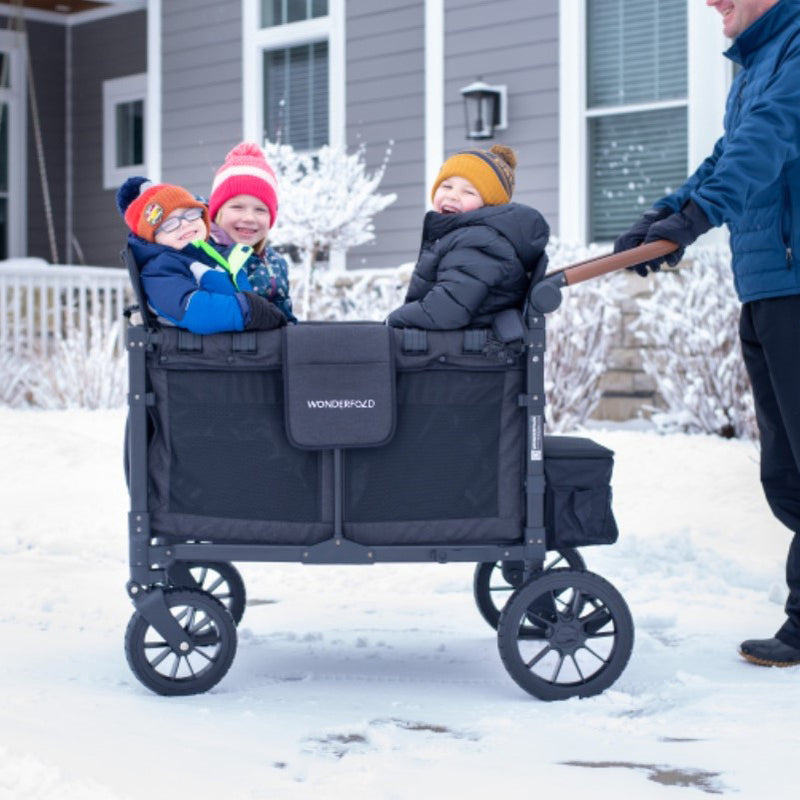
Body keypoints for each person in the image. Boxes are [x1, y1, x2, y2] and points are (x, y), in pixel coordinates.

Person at [613, 0, 800, 666]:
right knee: (787, 477)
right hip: (768, 285)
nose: (710, 2)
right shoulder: (758, 62)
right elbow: (730, 152)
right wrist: (667, 212)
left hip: (794, 280)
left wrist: (696, 216)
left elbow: (770, 139)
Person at [386, 144, 549, 329]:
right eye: (447, 186)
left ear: (490, 205)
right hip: (452, 348)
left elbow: (443, 312)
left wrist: (393, 321)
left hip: (467, 353)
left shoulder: (481, 243)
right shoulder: (461, 237)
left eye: (468, 192)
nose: (453, 195)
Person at [117, 177, 286, 334]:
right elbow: (196, 311)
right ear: (153, 239)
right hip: (198, 361)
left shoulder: (212, 257)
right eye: (169, 223)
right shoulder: (158, 271)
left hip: (238, 353)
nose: (184, 224)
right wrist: (249, 311)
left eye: (190, 214)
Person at [208, 142, 297, 323]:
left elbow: (285, 321)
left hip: (267, 350)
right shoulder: (204, 256)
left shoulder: (275, 263)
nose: (249, 218)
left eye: (260, 210)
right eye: (238, 207)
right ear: (218, 212)